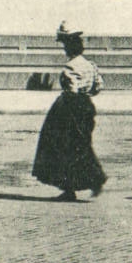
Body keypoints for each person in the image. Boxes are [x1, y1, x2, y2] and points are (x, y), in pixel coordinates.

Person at [32, 23, 107, 201]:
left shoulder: (70, 67)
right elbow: (98, 86)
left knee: (62, 147)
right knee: (81, 146)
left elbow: (72, 91)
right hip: (87, 106)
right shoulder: (90, 65)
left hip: (70, 108)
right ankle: (89, 180)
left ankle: (71, 187)